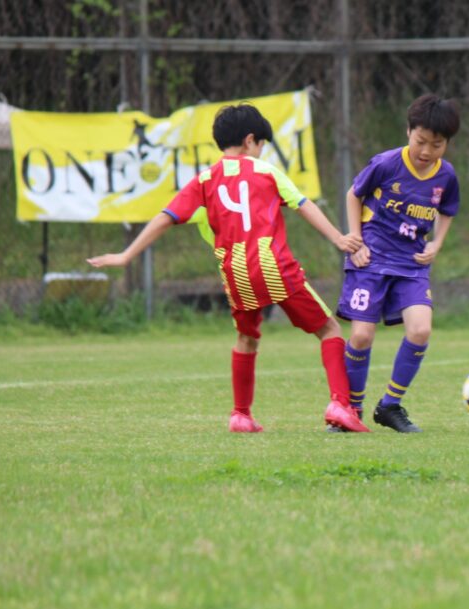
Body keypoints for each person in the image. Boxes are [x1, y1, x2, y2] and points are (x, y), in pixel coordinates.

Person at [87, 104, 369, 434]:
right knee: (329, 329)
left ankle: (240, 415)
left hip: (235, 272)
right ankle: (340, 404)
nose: (260, 151)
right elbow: (302, 205)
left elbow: (166, 217)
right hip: (272, 266)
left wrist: (126, 255)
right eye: (261, 144)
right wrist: (338, 238)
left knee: (246, 338)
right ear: (250, 140)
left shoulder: (204, 180)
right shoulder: (265, 171)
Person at [335, 94, 461, 433]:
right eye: (421, 141)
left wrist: (436, 243)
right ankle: (352, 409)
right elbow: (354, 194)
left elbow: (448, 210)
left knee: (421, 330)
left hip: (412, 264)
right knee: (361, 335)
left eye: (436, 145)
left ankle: (390, 405)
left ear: (447, 144)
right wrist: (355, 238)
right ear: (408, 131)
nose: (426, 151)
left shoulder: (446, 176)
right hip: (371, 259)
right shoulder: (386, 163)